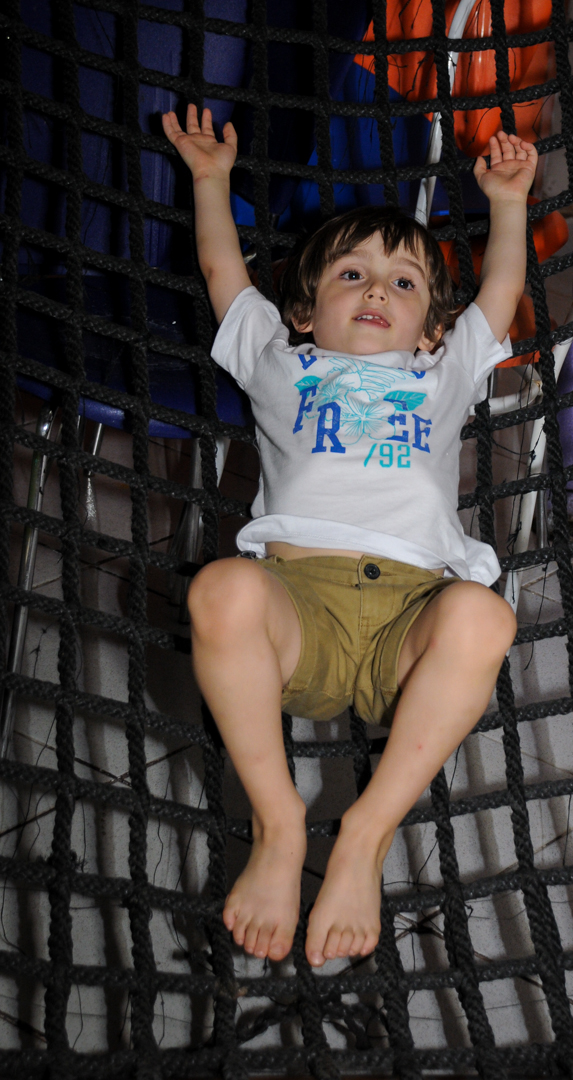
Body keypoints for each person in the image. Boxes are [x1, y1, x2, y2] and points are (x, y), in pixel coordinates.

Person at [163, 104, 538, 968]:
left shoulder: (443, 373)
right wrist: (212, 182)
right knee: (218, 588)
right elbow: (225, 275)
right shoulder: (277, 360)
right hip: (297, 605)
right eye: (351, 276)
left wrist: (508, 205)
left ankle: (366, 832)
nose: (377, 291)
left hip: (412, 613)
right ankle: (279, 819)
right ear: (302, 312)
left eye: (404, 284)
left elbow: (498, 295)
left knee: (483, 616)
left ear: (431, 329)